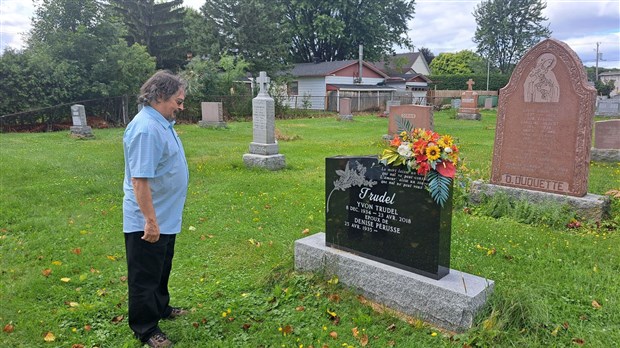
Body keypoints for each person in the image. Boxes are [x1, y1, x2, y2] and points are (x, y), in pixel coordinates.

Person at [122, 70, 189, 348]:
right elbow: (139, 179)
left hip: (165, 216)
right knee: (144, 277)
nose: (181, 107)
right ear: (160, 96)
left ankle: (161, 308)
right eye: (178, 100)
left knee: (161, 270)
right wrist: (150, 221)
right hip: (148, 220)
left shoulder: (160, 122)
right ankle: (146, 328)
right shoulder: (146, 129)